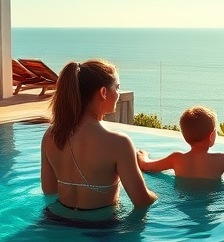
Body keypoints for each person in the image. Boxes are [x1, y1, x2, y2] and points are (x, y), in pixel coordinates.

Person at [41, 59, 157, 218]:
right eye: (117, 87)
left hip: (55, 222)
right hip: (101, 228)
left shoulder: (50, 135)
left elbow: (49, 192)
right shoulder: (118, 143)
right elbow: (142, 201)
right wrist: (157, 196)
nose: (118, 93)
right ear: (103, 92)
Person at [137, 106, 224, 179]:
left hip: (183, 201)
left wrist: (142, 155)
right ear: (211, 136)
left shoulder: (176, 159)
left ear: (184, 136)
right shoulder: (221, 160)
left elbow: (146, 166)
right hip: (211, 198)